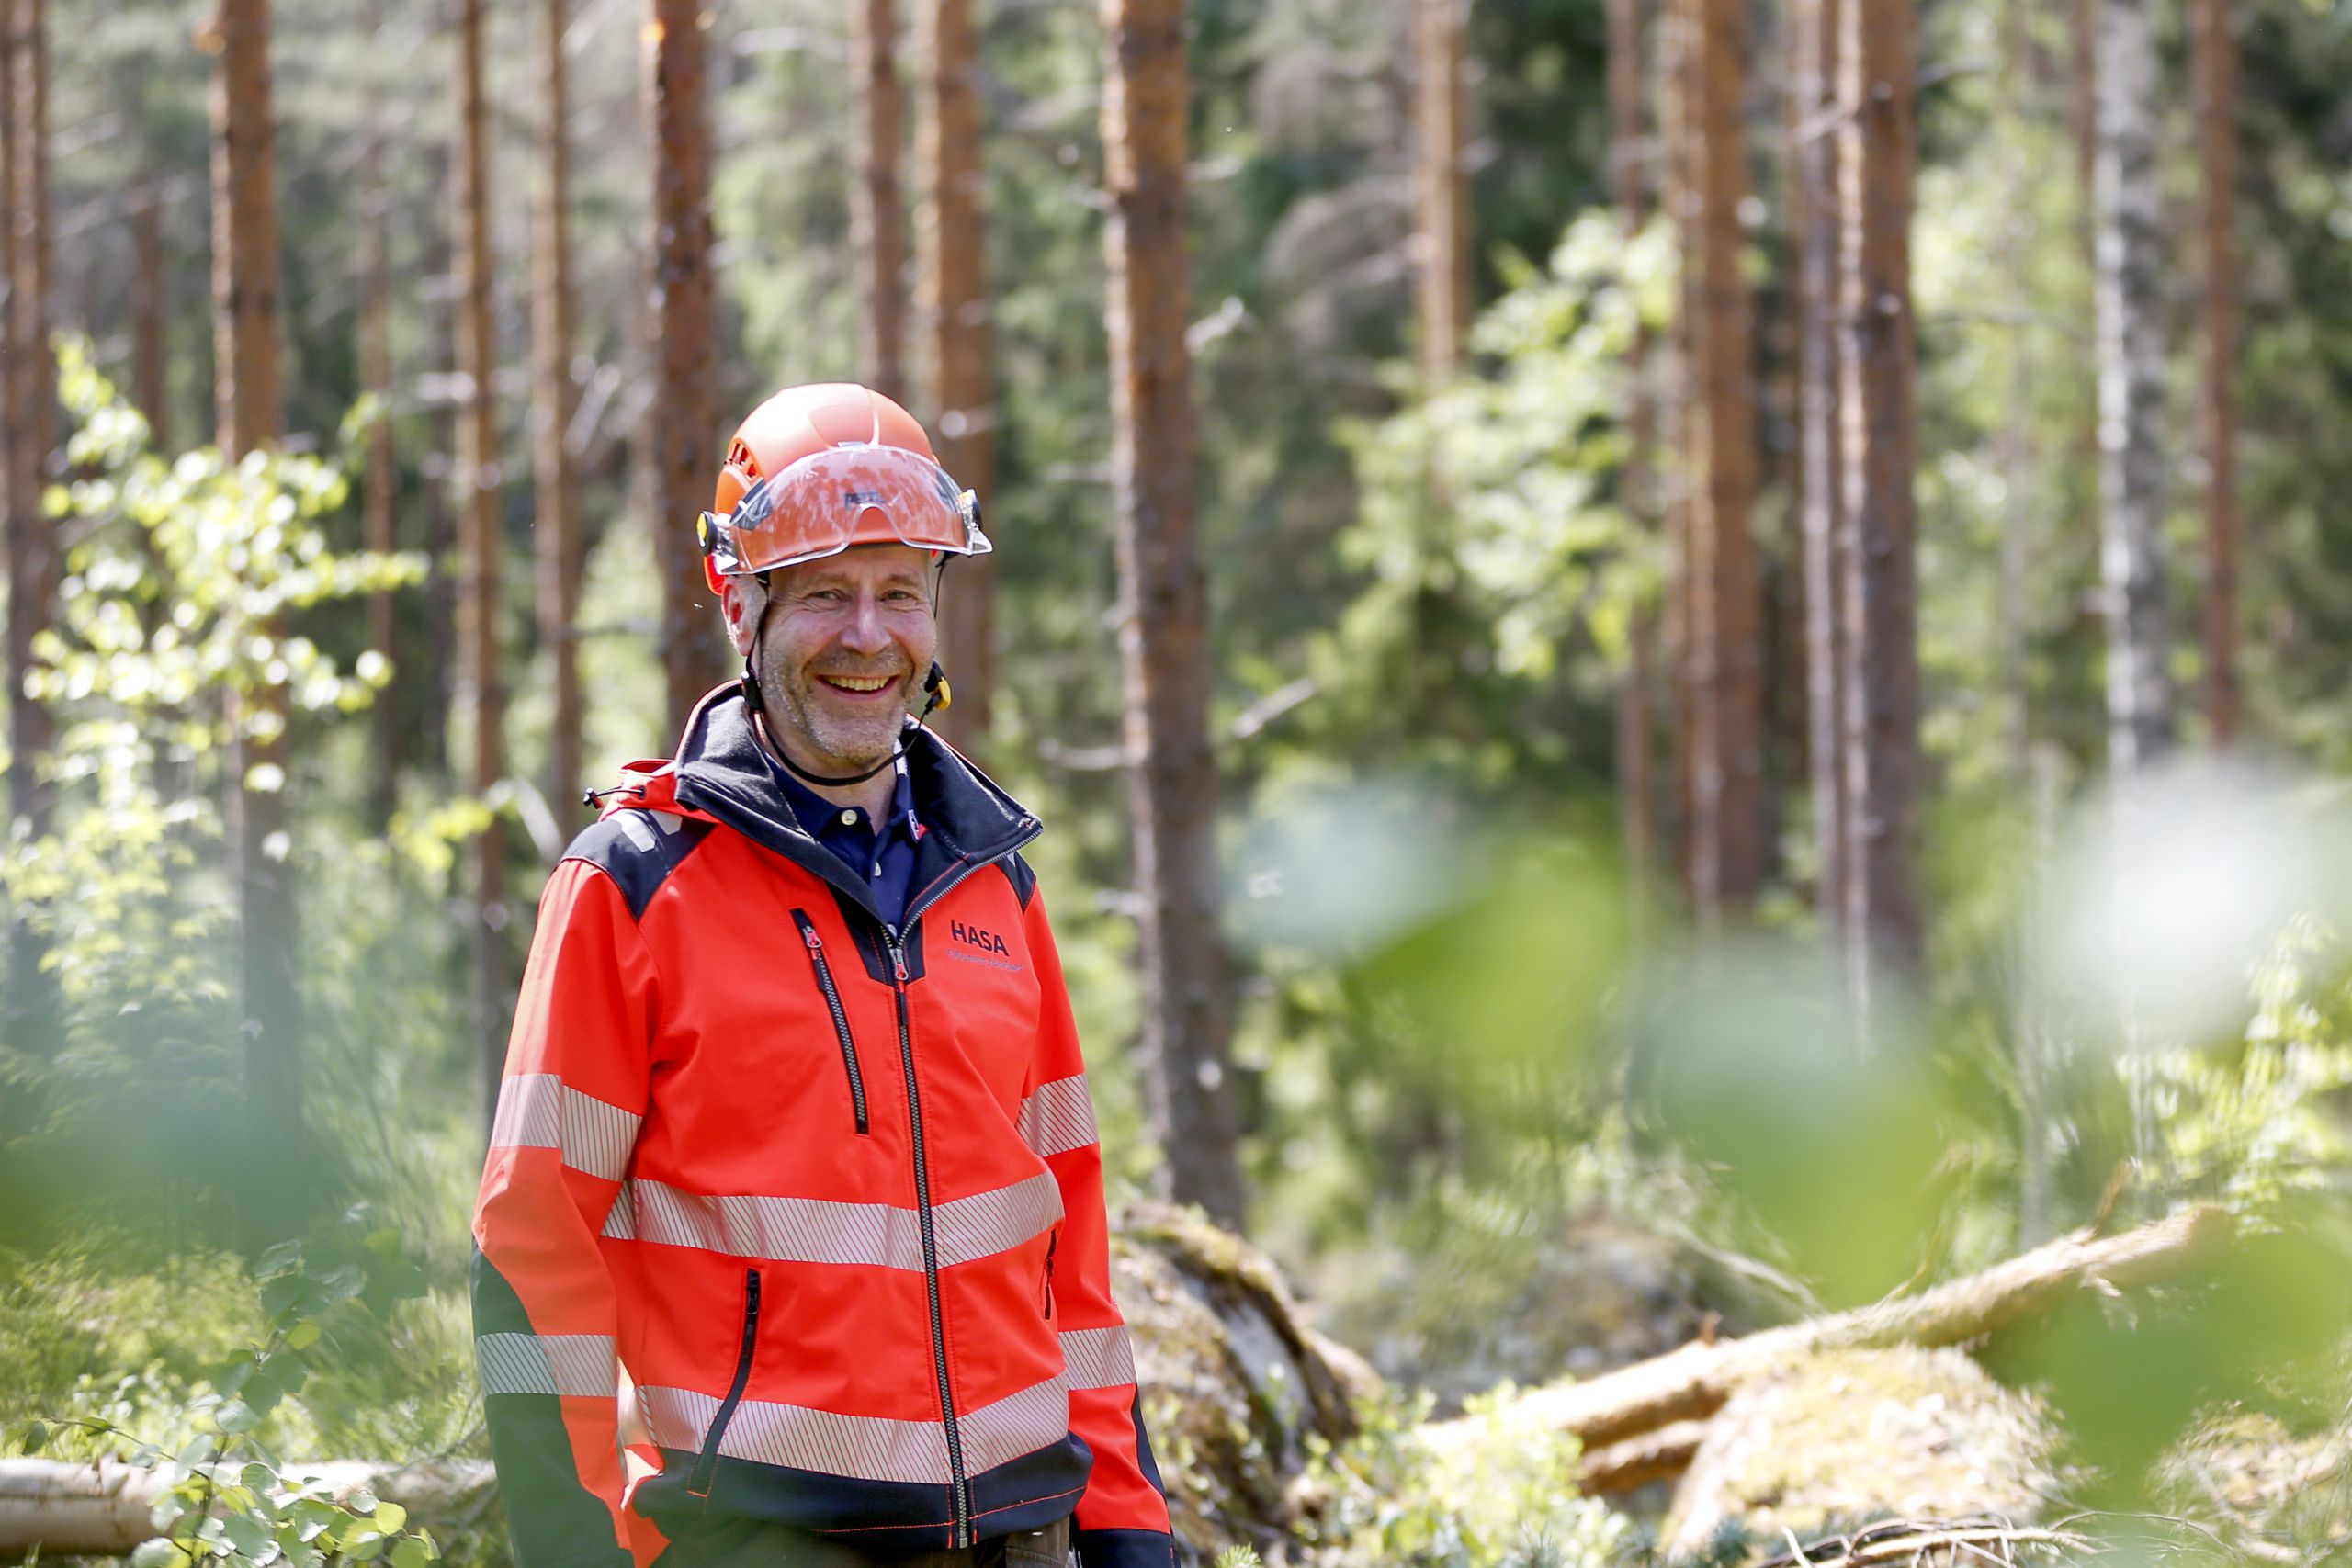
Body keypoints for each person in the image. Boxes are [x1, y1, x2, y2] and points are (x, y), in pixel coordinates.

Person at [470, 384, 1176, 1568]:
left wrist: (1125, 1521)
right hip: (757, 1540)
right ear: (741, 606)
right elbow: (533, 1248)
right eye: (824, 594)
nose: (868, 634)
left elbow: (1071, 1249)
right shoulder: (632, 887)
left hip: (1025, 1533)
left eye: (901, 590)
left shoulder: (991, 881)